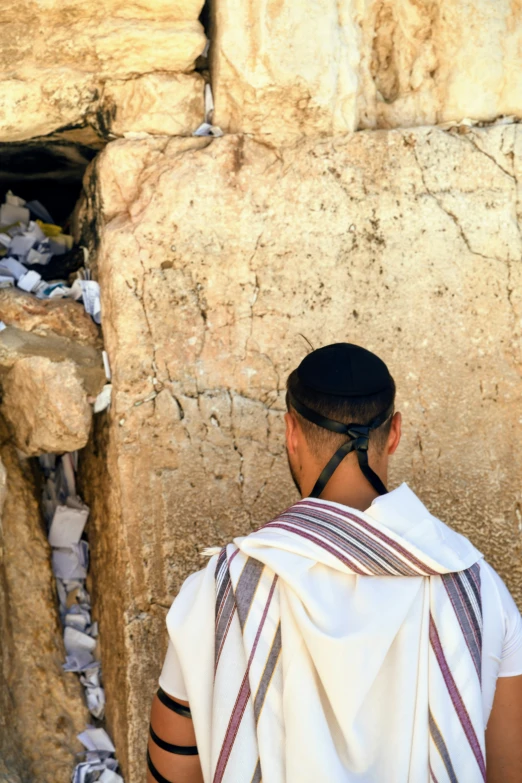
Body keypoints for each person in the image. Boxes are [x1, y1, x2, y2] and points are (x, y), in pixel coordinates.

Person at [147, 343, 522, 783]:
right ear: (395, 432)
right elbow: (507, 769)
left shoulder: (219, 591)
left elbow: (170, 770)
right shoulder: (478, 590)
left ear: (291, 431)